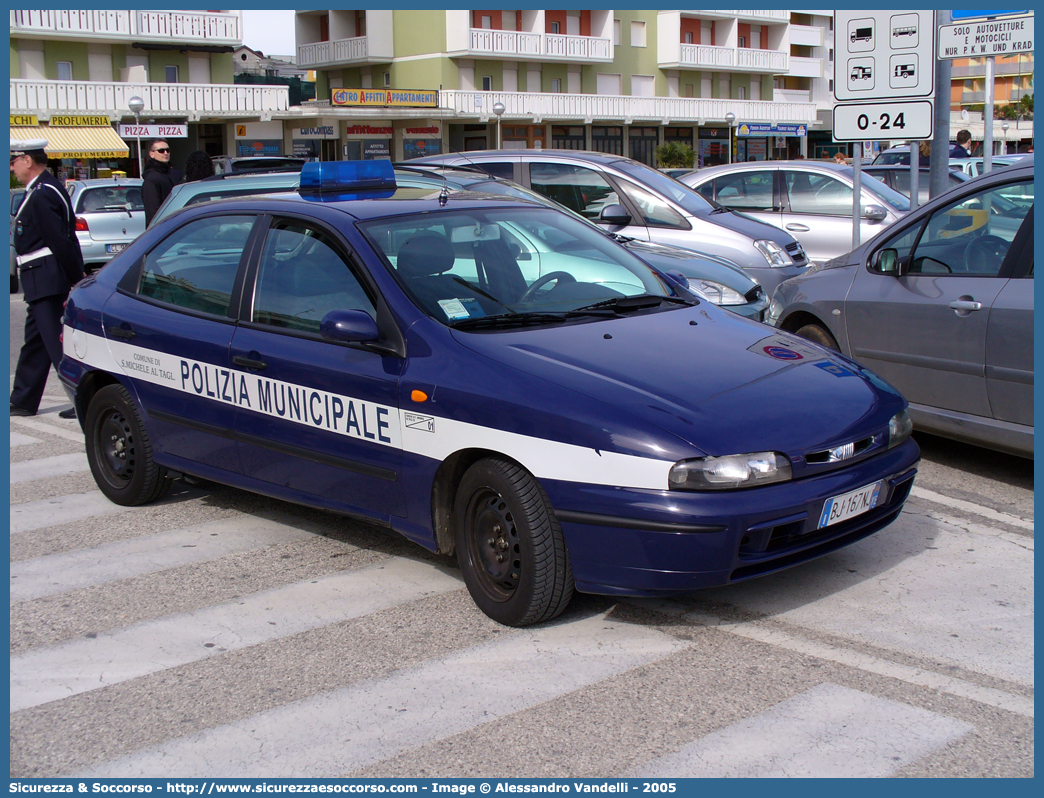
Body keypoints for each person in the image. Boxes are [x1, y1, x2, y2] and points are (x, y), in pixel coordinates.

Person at [10, 139, 85, 419]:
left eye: (14, 160)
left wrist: (76, 276)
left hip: (46, 277)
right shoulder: (45, 188)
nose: (12, 167)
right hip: (40, 278)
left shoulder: (42, 193)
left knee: (55, 342)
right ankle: (24, 398)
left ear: (28, 160)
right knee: (37, 342)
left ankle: (82, 399)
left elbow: (60, 240)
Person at [141, 138, 180, 225]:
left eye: (168, 150)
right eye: (161, 151)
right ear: (152, 154)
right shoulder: (152, 178)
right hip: (162, 227)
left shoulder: (171, 173)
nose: (165, 153)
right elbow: (153, 212)